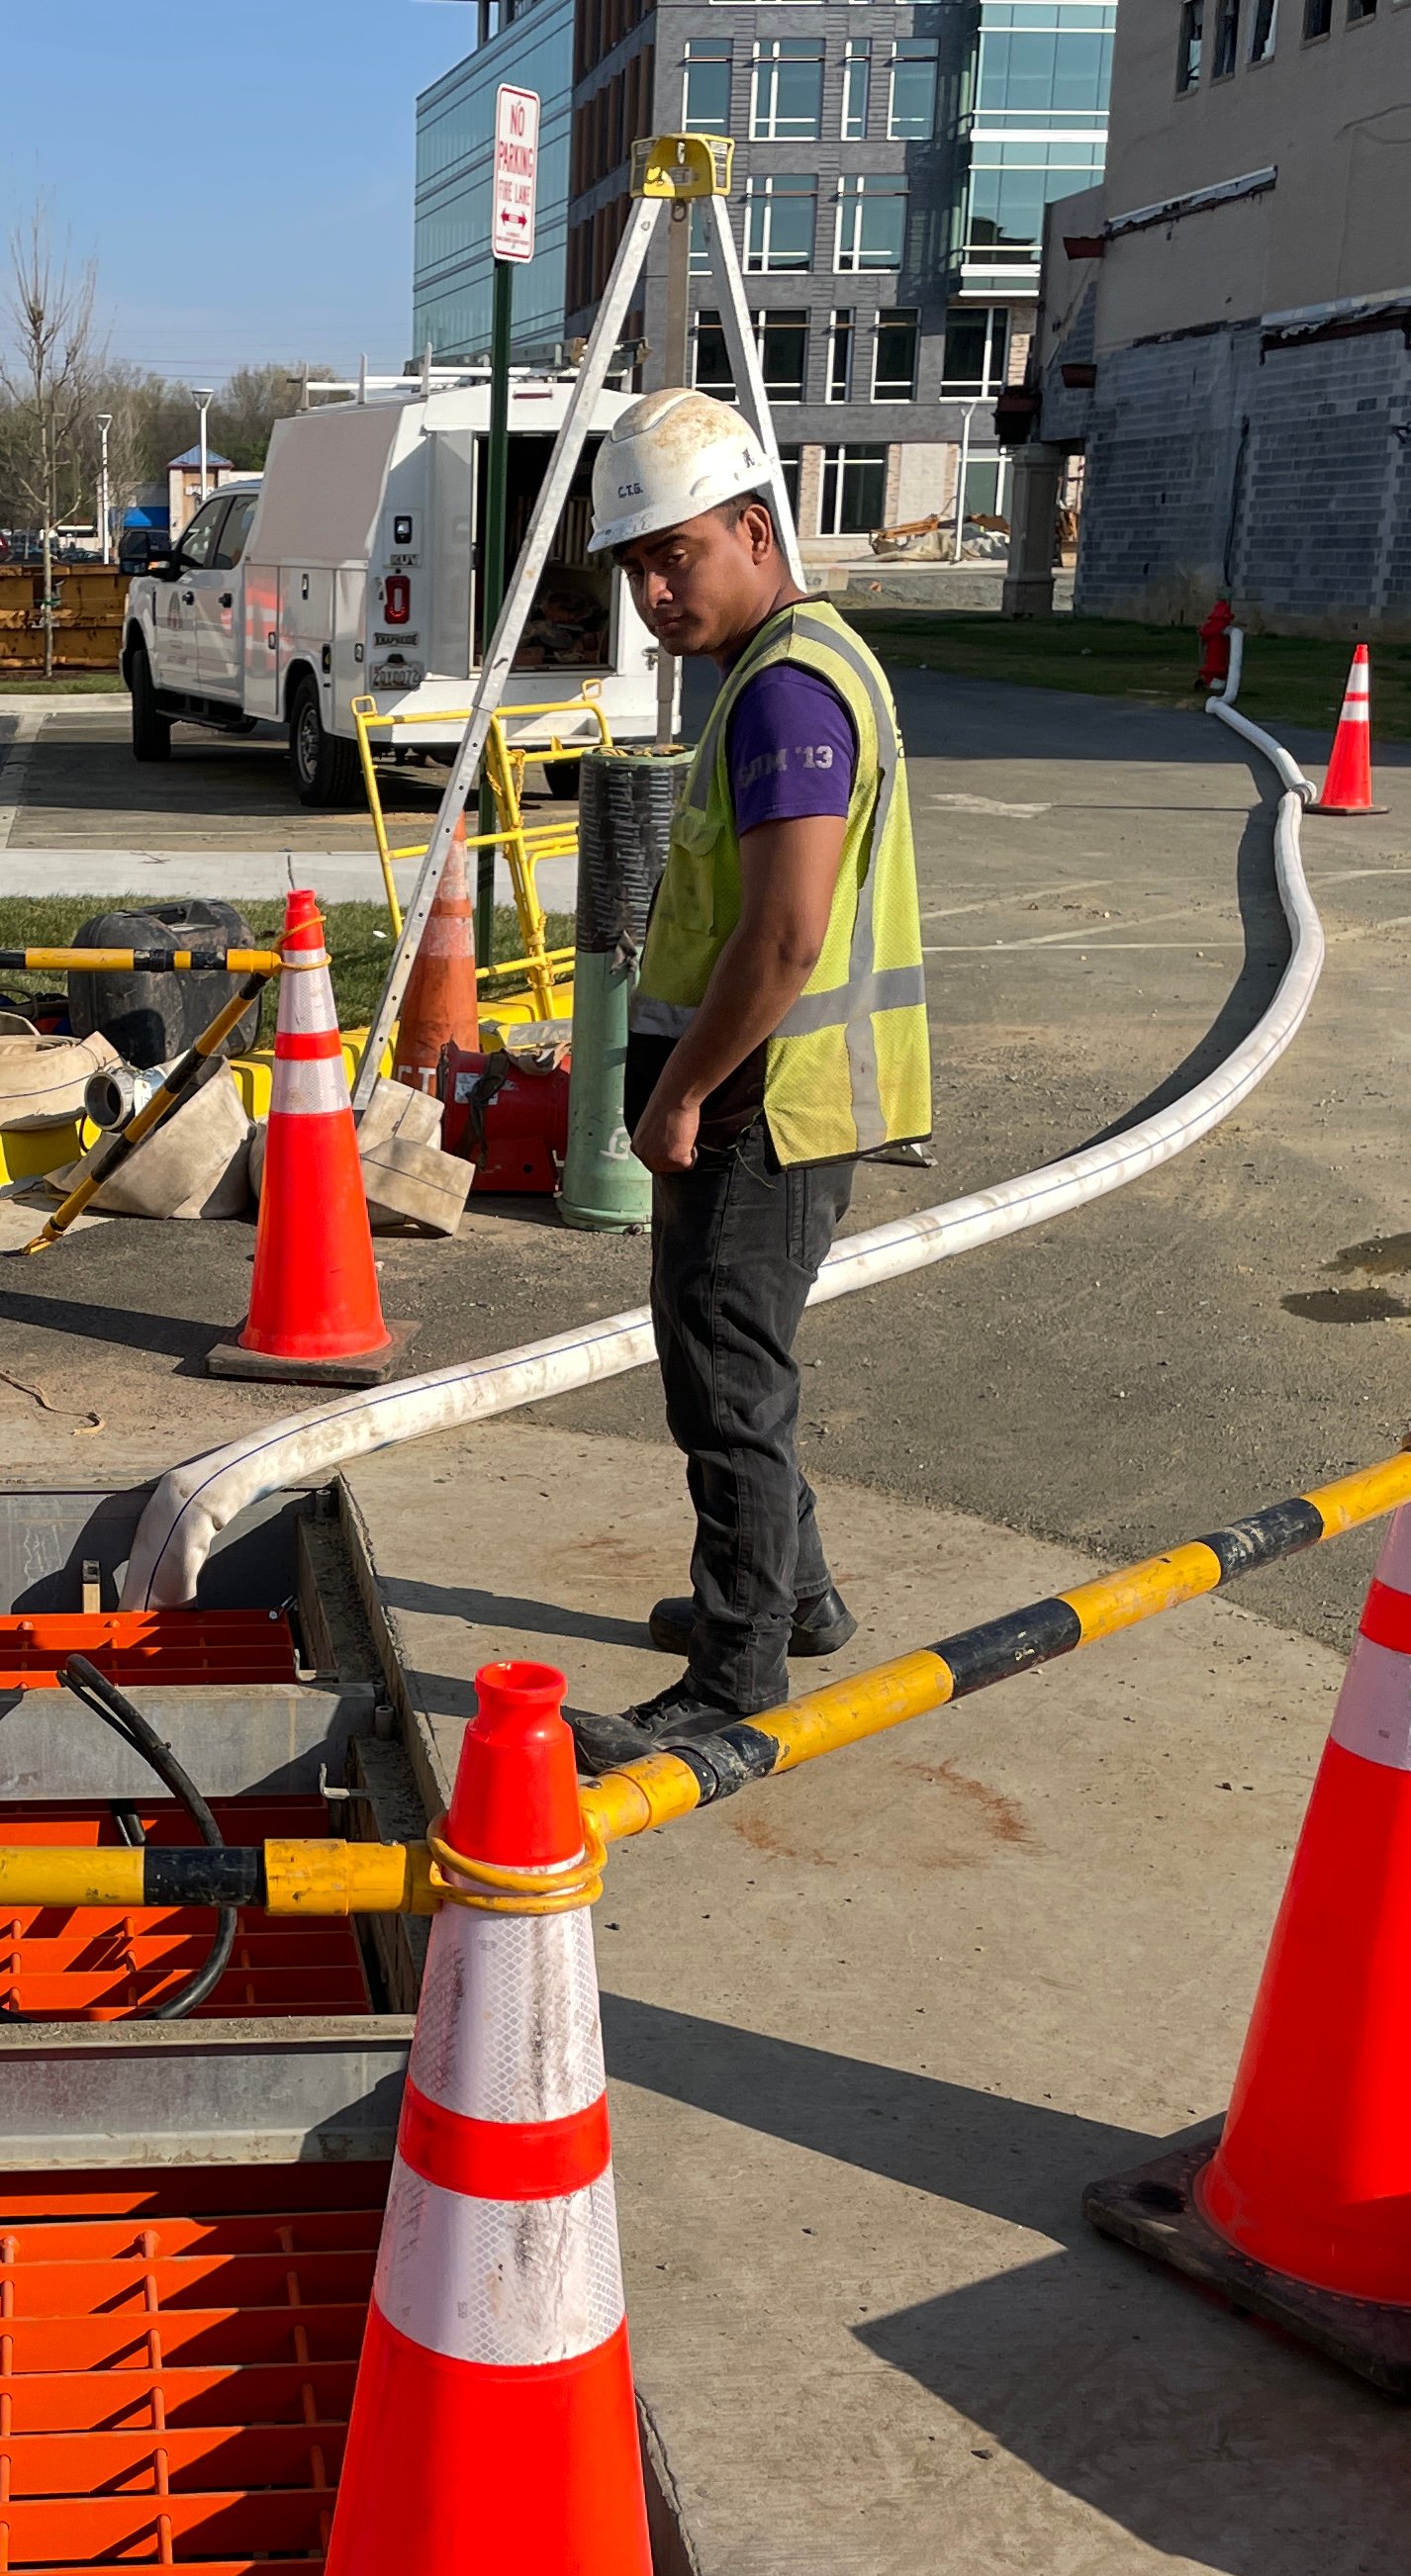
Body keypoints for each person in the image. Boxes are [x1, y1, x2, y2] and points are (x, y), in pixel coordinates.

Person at [562, 390, 931, 1773]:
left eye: (680, 555)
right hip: (774, 1098)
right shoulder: (791, 670)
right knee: (738, 1365)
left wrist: (677, 1095)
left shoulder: (787, 689)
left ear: (756, 533)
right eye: (639, 568)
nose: (659, 589)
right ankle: (801, 1596)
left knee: (723, 1381)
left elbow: (786, 932)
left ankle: (737, 1670)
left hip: (762, 1109)